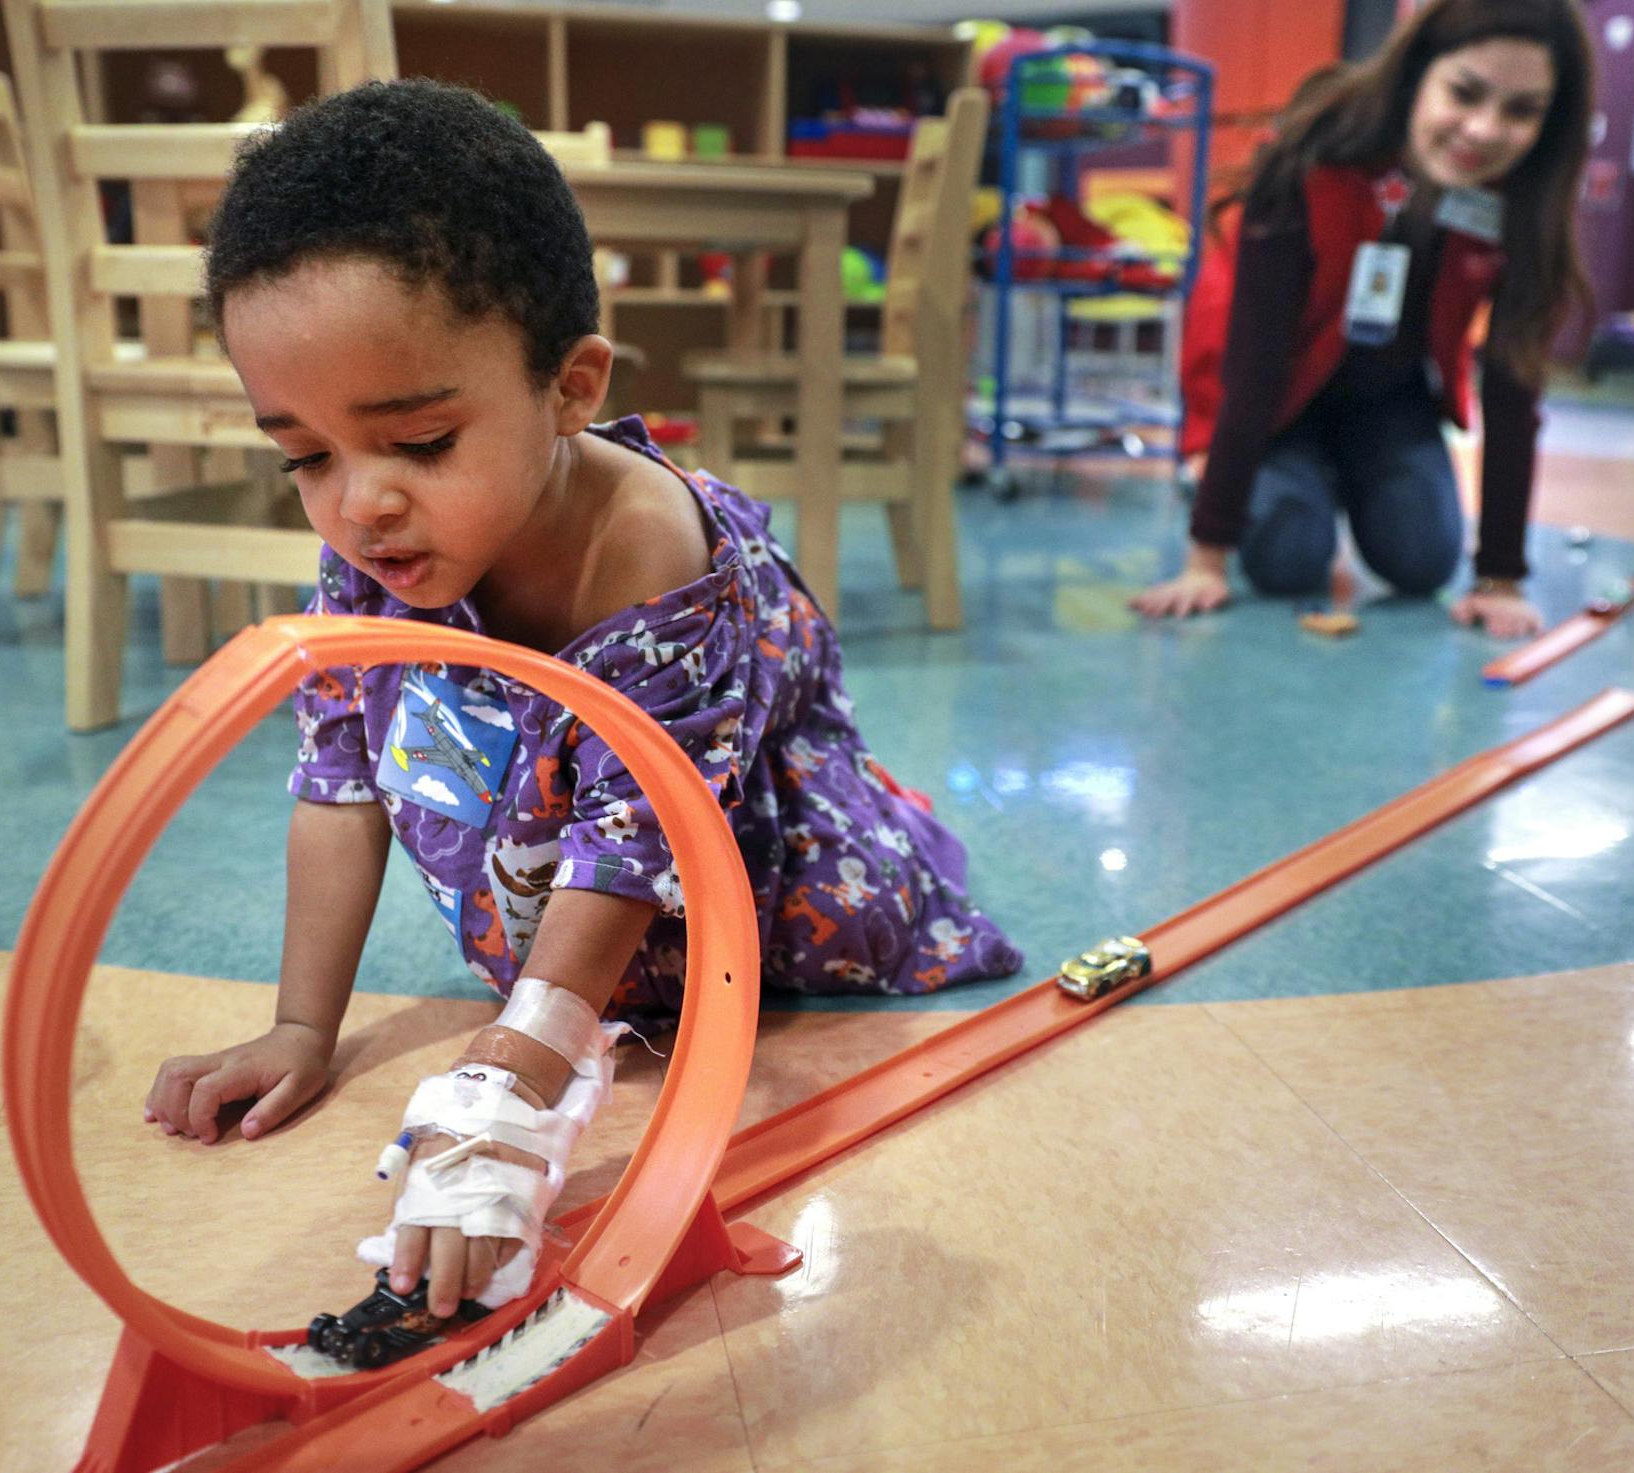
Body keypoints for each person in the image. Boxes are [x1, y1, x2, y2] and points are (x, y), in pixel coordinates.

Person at [140, 79, 1021, 1323]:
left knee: (715, 889)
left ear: (570, 386)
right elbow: (338, 784)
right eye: (306, 455)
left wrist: (518, 1073)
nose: (359, 502)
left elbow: (638, 836)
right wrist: (301, 1026)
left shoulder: (651, 550)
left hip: (731, 888)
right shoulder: (372, 550)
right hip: (564, 904)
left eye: (421, 442)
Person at [1132, 0, 1595, 637]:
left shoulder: (1521, 200)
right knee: (1287, 557)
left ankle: (1349, 479)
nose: (1485, 130)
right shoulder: (1311, 159)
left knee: (1423, 561)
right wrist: (1206, 557)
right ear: (1416, 75)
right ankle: (1227, 475)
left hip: (1386, 401)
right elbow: (1256, 362)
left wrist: (1500, 580)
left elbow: (1515, 384)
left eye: (1521, 110)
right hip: (1281, 403)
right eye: (1464, 93)